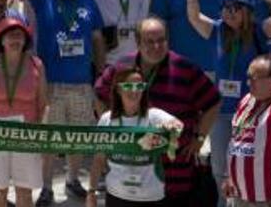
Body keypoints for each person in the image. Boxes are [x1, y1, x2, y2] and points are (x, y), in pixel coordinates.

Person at [14, 0, 106, 205]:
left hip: (81, 82)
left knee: (78, 135)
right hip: (50, 81)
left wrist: (101, 74)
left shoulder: (88, 1)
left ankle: (72, 179)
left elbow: (97, 40)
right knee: (50, 139)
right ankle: (45, 187)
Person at [95, 17, 222, 203]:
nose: (156, 46)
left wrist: (200, 138)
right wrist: (111, 132)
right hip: (129, 171)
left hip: (174, 173)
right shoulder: (121, 67)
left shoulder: (186, 69)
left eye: (161, 40)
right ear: (137, 43)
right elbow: (100, 95)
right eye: (149, 41)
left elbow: (213, 103)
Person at [181, 0, 271, 205]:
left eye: (234, 8)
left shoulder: (258, 31)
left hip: (252, 113)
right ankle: (222, 202)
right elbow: (195, 19)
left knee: (247, 162)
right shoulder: (218, 29)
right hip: (222, 111)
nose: (228, 12)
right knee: (219, 165)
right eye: (225, 7)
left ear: (246, 12)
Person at [0, 16, 48, 207]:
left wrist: (41, 137)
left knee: (25, 192)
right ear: (1, 39)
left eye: (19, 36)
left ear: (25, 40)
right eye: (10, 36)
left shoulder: (36, 64)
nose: (15, 40)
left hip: (26, 136)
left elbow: (43, 105)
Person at [87, 67, 183, 207]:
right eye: (129, 86)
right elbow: (99, 159)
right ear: (119, 90)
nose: (134, 90)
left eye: (139, 86)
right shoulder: (107, 119)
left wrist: (173, 127)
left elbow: (178, 124)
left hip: (151, 197)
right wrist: (91, 192)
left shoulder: (154, 116)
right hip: (116, 194)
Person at [222, 55, 271, 207]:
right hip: (239, 194)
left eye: (255, 77)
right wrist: (228, 176)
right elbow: (234, 141)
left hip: (268, 199)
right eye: (249, 76)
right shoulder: (246, 100)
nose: (249, 82)